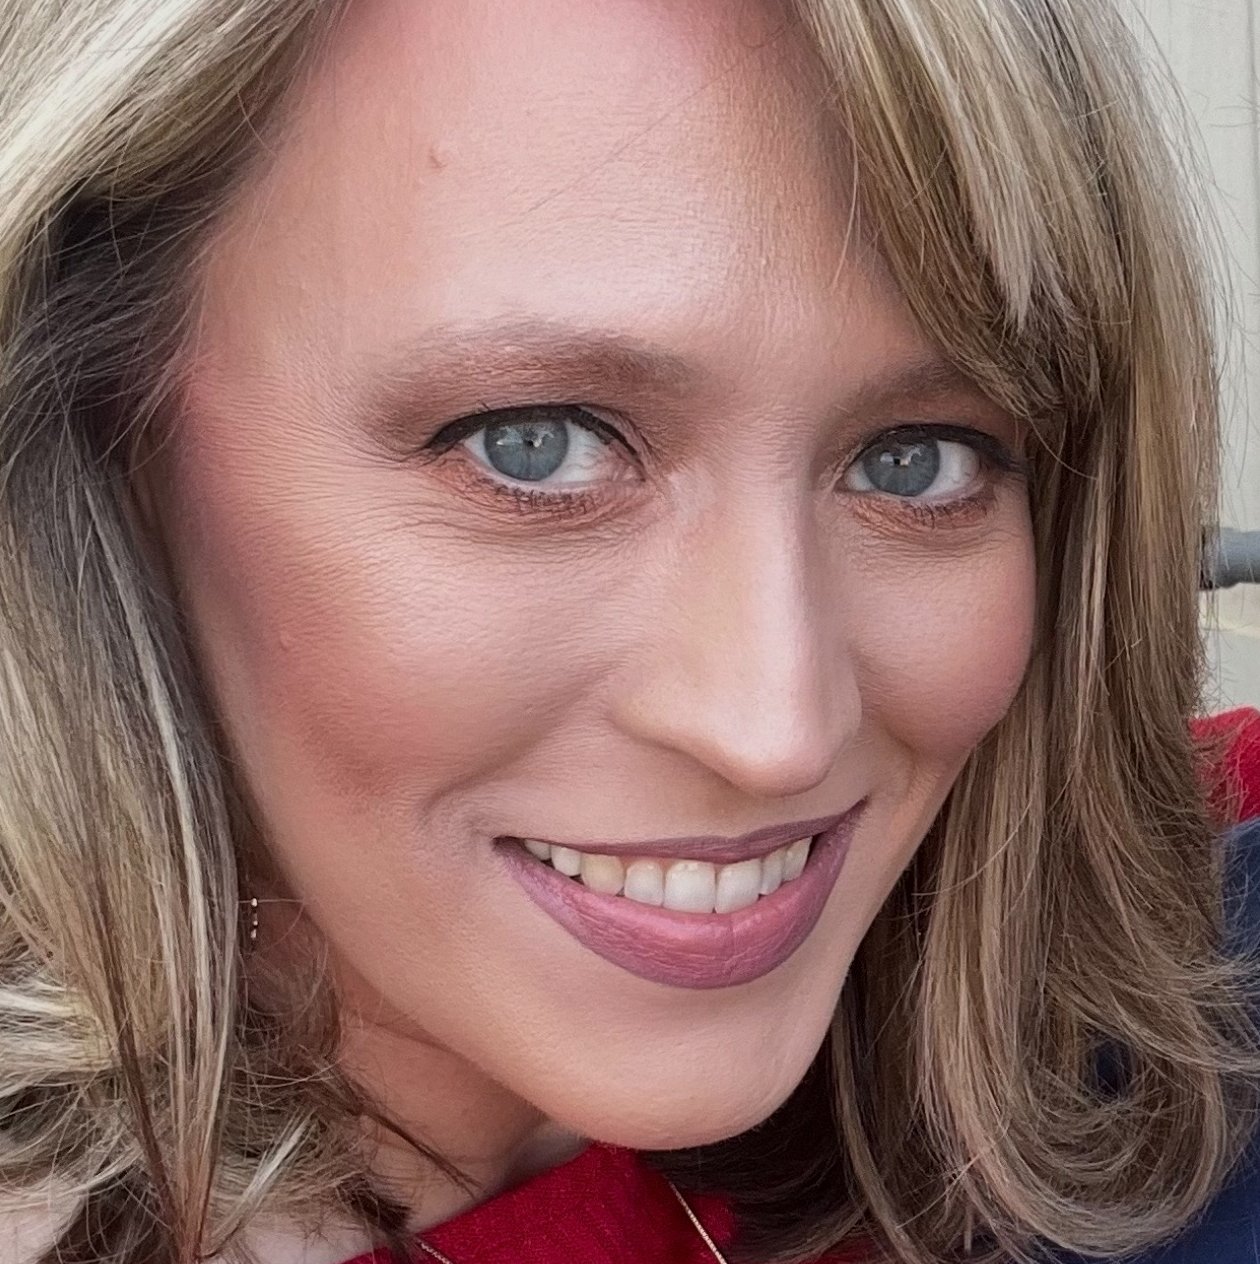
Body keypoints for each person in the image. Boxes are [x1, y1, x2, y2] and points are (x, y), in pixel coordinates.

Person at [1, 1, 1258, 1261]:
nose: (776, 731)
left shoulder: (1132, 1023)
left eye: (916, 460)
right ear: (100, 450)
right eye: (533, 442)